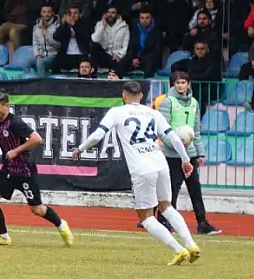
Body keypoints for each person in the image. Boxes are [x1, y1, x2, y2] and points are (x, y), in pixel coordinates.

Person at [72, 81, 201, 266]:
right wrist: (186, 160)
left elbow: (98, 135)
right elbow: (172, 137)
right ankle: (191, 244)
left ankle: (179, 250)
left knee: (146, 217)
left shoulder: (117, 112)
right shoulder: (153, 113)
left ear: (124, 95)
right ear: (141, 96)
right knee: (167, 206)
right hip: (160, 163)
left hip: (142, 169)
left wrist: (80, 148)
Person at [0, 92, 74, 247]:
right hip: (8, 170)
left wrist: (16, 151)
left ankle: (61, 225)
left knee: (37, 209)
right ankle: (4, 237)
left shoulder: (15, 122)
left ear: (6, 107)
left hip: (24, 171)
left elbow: (37, 138)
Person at [154, 73, 221, 235]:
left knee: (195, 189)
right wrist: (177, 145)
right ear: (173, 84)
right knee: (172, 189)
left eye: (183, 82)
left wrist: (200, 152)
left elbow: (196, 130)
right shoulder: (167, 102)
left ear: (188, 84)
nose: (180, 86)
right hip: (171, 154)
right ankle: (165, 222)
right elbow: (162, 131)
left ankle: (202, 223)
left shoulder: (194, 103)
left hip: (190, 154)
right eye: (178, 82)